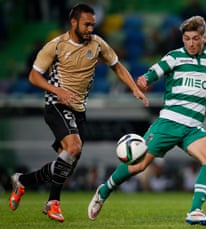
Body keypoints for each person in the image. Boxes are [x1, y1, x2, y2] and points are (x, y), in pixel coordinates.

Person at [88, 15, 206, 226]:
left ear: (204, 38)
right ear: (182, 39)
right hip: (168, 124)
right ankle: (103, 190)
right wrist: (145, 79)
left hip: (193, 128)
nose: (191, 43)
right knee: (138, 166)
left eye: (195, 38)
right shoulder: (174, 57)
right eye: (187, 38)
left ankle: (195, 210)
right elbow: (154, 72)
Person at [9, 3, 148, 223]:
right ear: (73, 22)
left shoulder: (98, 44)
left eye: (93, 24)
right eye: (86, 24)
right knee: (73, 148)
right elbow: (34, 77)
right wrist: (58, 91)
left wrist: (134, 89)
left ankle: (23, 181)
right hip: (56, 104)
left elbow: (117, 66)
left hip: (79, 109)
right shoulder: (55, 46)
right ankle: (52, 202)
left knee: (65, 167)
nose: (90, 29)